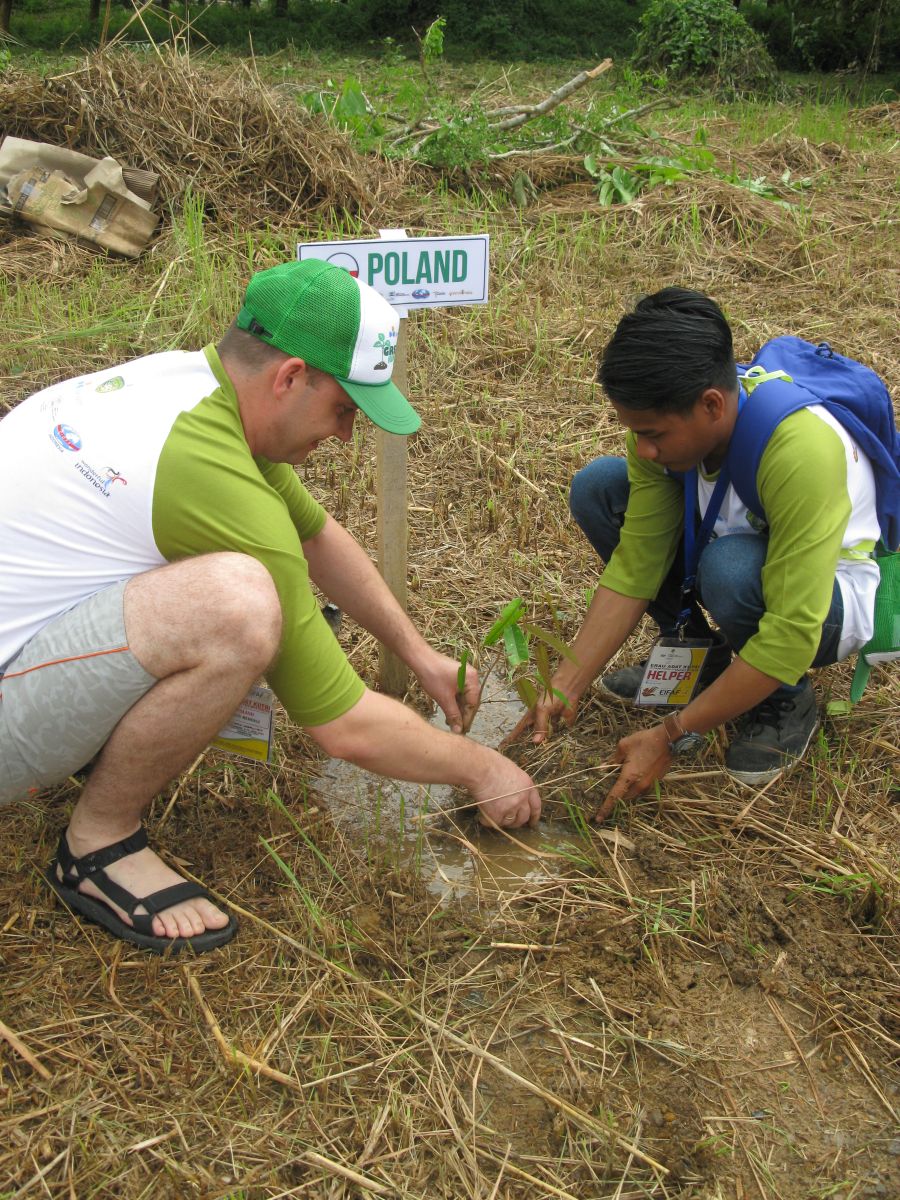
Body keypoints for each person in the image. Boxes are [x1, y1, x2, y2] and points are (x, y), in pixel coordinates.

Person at [0, 259, 541, 953]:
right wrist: (482, 768)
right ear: (289, 377)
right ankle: (98, 845)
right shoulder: (208, 472)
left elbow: (314, 535)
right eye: (344, 410)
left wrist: (416, 653)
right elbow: (344, 726)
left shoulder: (187, 388)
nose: (346, 436)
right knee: (237, 606)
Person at [514, 288, 883, 819]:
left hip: (828, 600)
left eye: (653, 434)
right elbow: (636, 566)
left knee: (729, 569)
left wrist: (670, 734)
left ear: (712, 404)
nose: (643, 449)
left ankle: (784, 698)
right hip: (735, 555)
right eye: (635, 432)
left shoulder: (799, 450)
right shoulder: (664, 437)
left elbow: (790, 634)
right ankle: (699, 655)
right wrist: (564, 685)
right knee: (600, 488)